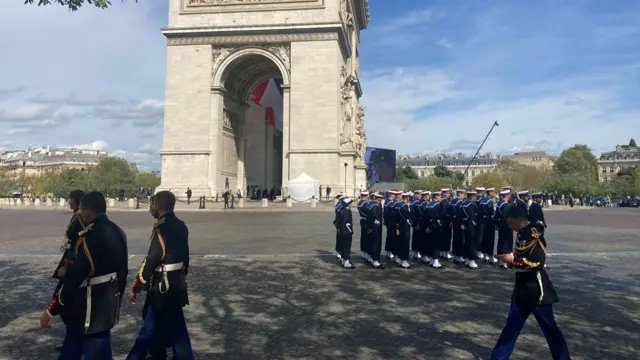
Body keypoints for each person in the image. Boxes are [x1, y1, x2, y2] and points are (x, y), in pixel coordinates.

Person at [41, 192, 128, 360]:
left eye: (82, 210)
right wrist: (117, 299)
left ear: (88, 211)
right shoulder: (118, 231)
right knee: (74, 343)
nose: (80, 213)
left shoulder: (89, 236)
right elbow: (123, 271)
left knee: (94, 348)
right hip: (109, 299)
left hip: (89, 304)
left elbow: (75, 276)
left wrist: (52, 309)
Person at [490, 206, 571, 360]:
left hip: (537, 290)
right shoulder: (522, 232)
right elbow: (521, 254)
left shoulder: (534, 234)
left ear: (519, 220)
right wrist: (511, 258)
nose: (510, 227)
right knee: (511, 328)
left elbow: (537, 262)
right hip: (521, 289)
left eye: (511, 223)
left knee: (550, 330)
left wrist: (513, 261)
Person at [127, 191, 194, 360]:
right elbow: (186, 257)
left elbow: (151, 260)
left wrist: (137, 286)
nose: (150, 209)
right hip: (176, 282)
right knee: (169, 326)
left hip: (162, 287)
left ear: (157, 206)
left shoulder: (161, 228)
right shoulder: (181, 225)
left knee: (152, 329)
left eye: (152, 205)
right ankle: (159, 354)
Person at [52, 190, 86, 352]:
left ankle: (75, 340)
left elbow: (78, 245)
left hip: (72, 261)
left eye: (70, 198)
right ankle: (72, 339)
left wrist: (66, 266)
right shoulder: (77, 216)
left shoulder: (80, 218)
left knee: (63, 301)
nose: (68, 201)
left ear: (76, 200)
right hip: (70, 258)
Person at [366, 192, 385, 269]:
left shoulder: (373, 205)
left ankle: (372, 258)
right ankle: (375, 261)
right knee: (376, 243)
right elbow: (375, 217)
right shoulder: (375, 206)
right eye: (380, 199)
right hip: (376, 227)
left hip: (373, 227)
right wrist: (371, 227)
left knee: (372, 243)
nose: (380, 200)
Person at [425, 191, 444, 269]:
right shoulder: (437, 205)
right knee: (437, 244)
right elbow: (438, 217)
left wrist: (427, 226)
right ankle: (435, 261)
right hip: (435, 226)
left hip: (429, 226)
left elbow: (425, 217)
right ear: (436, 196)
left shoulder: (429, 204)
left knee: (431, 243)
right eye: (439, 196)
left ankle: (431, 261)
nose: (441, 197)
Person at [495, 189, 513, 269]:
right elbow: (507, 218)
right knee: (506, 243)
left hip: (501, 226)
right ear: (508, 195)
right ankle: (504, 261)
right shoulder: (506, 205)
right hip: (506, 226)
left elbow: (497, 216)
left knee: (501, 242)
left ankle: (501, 260)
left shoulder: (499, 203)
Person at [461, 190, 479, 269]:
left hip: (465, 225)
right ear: (472, 196)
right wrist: (475, 224)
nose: (475, 197)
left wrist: (463, 223)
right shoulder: (470, 205)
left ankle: (467, 259)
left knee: (467, 242)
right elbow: (472, 217)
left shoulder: (463, 204)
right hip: (471, 226)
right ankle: (472, 260)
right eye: (474, 195)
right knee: (472, 243)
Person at [337, 197, 356, 269]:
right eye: (350, 203)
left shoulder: (343, 210)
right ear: (348, 204)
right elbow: (344, 222)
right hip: (346, 231)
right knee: (347, 246)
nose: (351, 204)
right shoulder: (346, 211)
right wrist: (348, 229)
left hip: (344, 231)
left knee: (343, 246)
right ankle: (346, 262)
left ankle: (343, 260)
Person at [480, 188, 498, 264]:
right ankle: (490, 257)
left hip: (483, 222)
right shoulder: (489, 201)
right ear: (490, 192)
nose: (494, 193)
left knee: (484, 239)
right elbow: (492, 214)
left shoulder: (482, 200)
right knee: (490, 240)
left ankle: (484, 256)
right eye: (493, 192)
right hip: (489, 223)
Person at [450, 189, 466, 264]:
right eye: (463, 194)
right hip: (459, 223)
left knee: (455, 239)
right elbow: (461, 214)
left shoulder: (452, 201)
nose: (464, 195)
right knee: (460, 239)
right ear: (460, 194)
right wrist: (462, 223)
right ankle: (459, 256)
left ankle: (455, 256)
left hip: (454, 222)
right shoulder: (460, 202)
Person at [383, 190, 399, 262]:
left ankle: (389, 252)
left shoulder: (387, 201)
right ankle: (390, 252)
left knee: (390, 237)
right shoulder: (390, 202)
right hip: (390, 222)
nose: (395, 195)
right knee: (391, 237)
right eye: (394, 194)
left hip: (388, 221)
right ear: (391, 194)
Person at [439, 188, 453, 260]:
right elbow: (445, 212)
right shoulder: (445, 201)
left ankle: (442, 252)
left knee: (442, 237)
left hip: (442, 221)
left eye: (449, 193)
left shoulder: (442, 200)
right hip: (446, 221)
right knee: (447, 237)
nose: (449, 194)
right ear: (444, 193)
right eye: (447, 193)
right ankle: (446, 253)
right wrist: (450, 220)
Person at [410, 190, 424, 261]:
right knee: (416, 238)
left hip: (418, 222)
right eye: (418, 194)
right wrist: (415, 224)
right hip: (416, 222)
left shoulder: (418, 202)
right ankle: (416, 253)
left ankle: (417, 252)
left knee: (419, 238)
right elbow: (414, 215)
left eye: (420, 194)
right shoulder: (415, 202)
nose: (419, 196)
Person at [357, 190, 371, 262]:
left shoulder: (359, 203)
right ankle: (366, 253)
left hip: (362, 220)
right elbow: (369, 212)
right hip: (366, 220)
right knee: (367, 238)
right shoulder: (365, 204)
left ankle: (363, 252)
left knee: (363, 237)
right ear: (366, 196)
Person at [333, 193, 347, 263]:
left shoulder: (338, 204)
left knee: (339, 238)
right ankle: (340, 253)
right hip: (341, 223)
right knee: (341, 238)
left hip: (338, 223)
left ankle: (339, 253)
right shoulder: (341, 205)